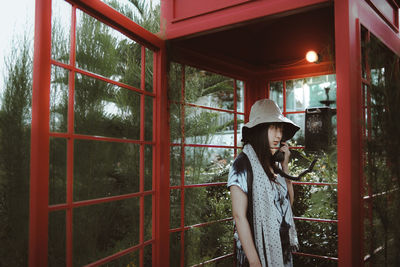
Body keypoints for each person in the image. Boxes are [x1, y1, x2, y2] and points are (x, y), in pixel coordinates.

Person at [228, 99, 300, 267]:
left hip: (281, 250)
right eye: (273, 128)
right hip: (255, 252)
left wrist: (285, 166)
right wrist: (254, 262)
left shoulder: (273, 163)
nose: (279, 135)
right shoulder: (241, 165)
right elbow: (239, 215)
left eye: (280, 129)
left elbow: (289, 202)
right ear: (260, 130)